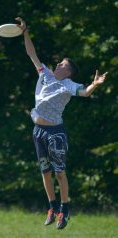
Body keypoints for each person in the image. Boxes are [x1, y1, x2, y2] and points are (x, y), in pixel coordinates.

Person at [15, 17, 108, 229]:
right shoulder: (46, 74)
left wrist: (94, 84)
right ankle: (52, 206)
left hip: (55, 133)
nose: (58, 64)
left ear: (68, 72)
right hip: (38, 132)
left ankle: (65, 209)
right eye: (59, 63)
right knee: (44, 172)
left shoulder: (68, 85)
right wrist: (25, 32)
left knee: (59, 173)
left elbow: (84, 92)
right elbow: (32, 53)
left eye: (63, 64)